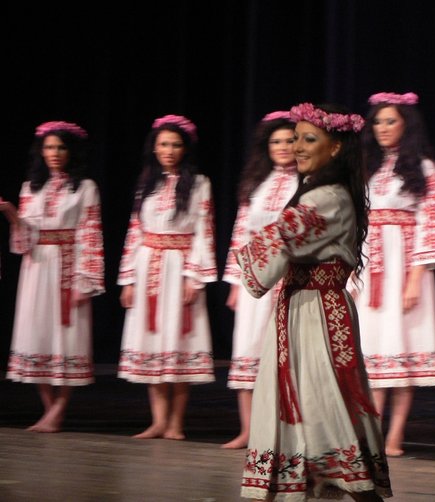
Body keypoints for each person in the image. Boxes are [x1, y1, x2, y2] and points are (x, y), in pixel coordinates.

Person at [234, 103, 391, 501]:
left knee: (324, 401)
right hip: (299, 306)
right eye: (294, 139)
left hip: (319, 314)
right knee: (309, 401)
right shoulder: (318, 192)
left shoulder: (329, 197)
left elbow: (280, 236)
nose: (297, 147)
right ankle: (312, 481)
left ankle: (348, 482)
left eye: (308, 139)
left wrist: (250, 257)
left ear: (335, 147)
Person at [352, 92, 435, 457]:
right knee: (373, 350)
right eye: (377, 121)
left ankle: (395, 435)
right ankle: (370, 431)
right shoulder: (367, 168)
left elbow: (431, 224)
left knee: (402, 348)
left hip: (404, 266)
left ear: (406, 125)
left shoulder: (424, 168)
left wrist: (415, 279)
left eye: (390, 121)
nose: (382, 128)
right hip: (369, 265)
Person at [0, 120, 104, 432]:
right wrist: (13, 216)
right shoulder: (30, 187)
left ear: (71, 152)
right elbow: (24, 241)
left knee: (68, 337)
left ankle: (59, 409)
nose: (54, 153)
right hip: (36, 268)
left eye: (60, 147)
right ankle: (50, 410)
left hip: (68, 267)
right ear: (41, 152)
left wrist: (86, 278)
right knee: (37, 333)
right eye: (49, 147)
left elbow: (91, 234)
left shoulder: (85, 188)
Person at [118, 114, 216, 440]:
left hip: (180, 266)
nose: (169, 150)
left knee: (178, 341)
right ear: (155, 148)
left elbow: (204, 231)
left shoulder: (199, 184)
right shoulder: (147, 182)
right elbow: (135, 232)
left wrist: (193, 276)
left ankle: (176, 422)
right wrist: (128, 279)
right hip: (148, 266)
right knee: (152, 343)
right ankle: (158, 420)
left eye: (175, 145)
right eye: (163, 144)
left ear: (184, 149)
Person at [221, 111, 298, 449]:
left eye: (289, 141)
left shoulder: (308, 182)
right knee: (248, 347)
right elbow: (241, 236)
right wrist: (234, 282)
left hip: (291, 273)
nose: (282, 147)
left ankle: (285, 432)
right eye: (275, 142)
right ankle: (248, 430)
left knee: (288, 352)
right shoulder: (257, 184)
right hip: (254, 276)